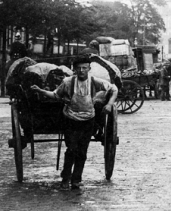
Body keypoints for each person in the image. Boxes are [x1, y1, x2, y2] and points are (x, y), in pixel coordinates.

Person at [31, 57, 118, 190]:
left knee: (82, 152)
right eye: (79, 68)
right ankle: (65, 178)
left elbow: (114, 89)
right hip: (70, 120)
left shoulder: (95, 81)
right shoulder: (67, 82)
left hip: (88, 120)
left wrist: (110, 104)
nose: (82, 70)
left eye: (84, 68)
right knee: (71, 150)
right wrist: (40, 91)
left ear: (89, 69)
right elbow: (55, 95)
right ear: (74, 69)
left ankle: (76, 179)